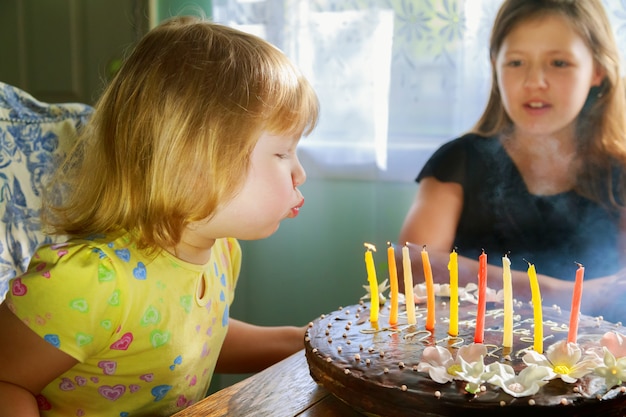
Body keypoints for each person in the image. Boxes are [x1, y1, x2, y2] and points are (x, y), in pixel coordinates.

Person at [0, 16, 318, 416]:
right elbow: (6, 380)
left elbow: (190, 341)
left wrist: (307, 342)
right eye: (282, 153)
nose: (299, 173)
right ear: (194, 164)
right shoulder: (88, 284)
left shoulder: (221, 253)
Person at [399, 0, 626, 322]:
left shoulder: (619, 172)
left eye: (559, 63)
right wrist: (557, 293)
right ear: (495, 65)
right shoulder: (460, 160)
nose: (534, 81)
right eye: (516, 62)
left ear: (598, 71)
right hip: (467, 352)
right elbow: (411, 264)